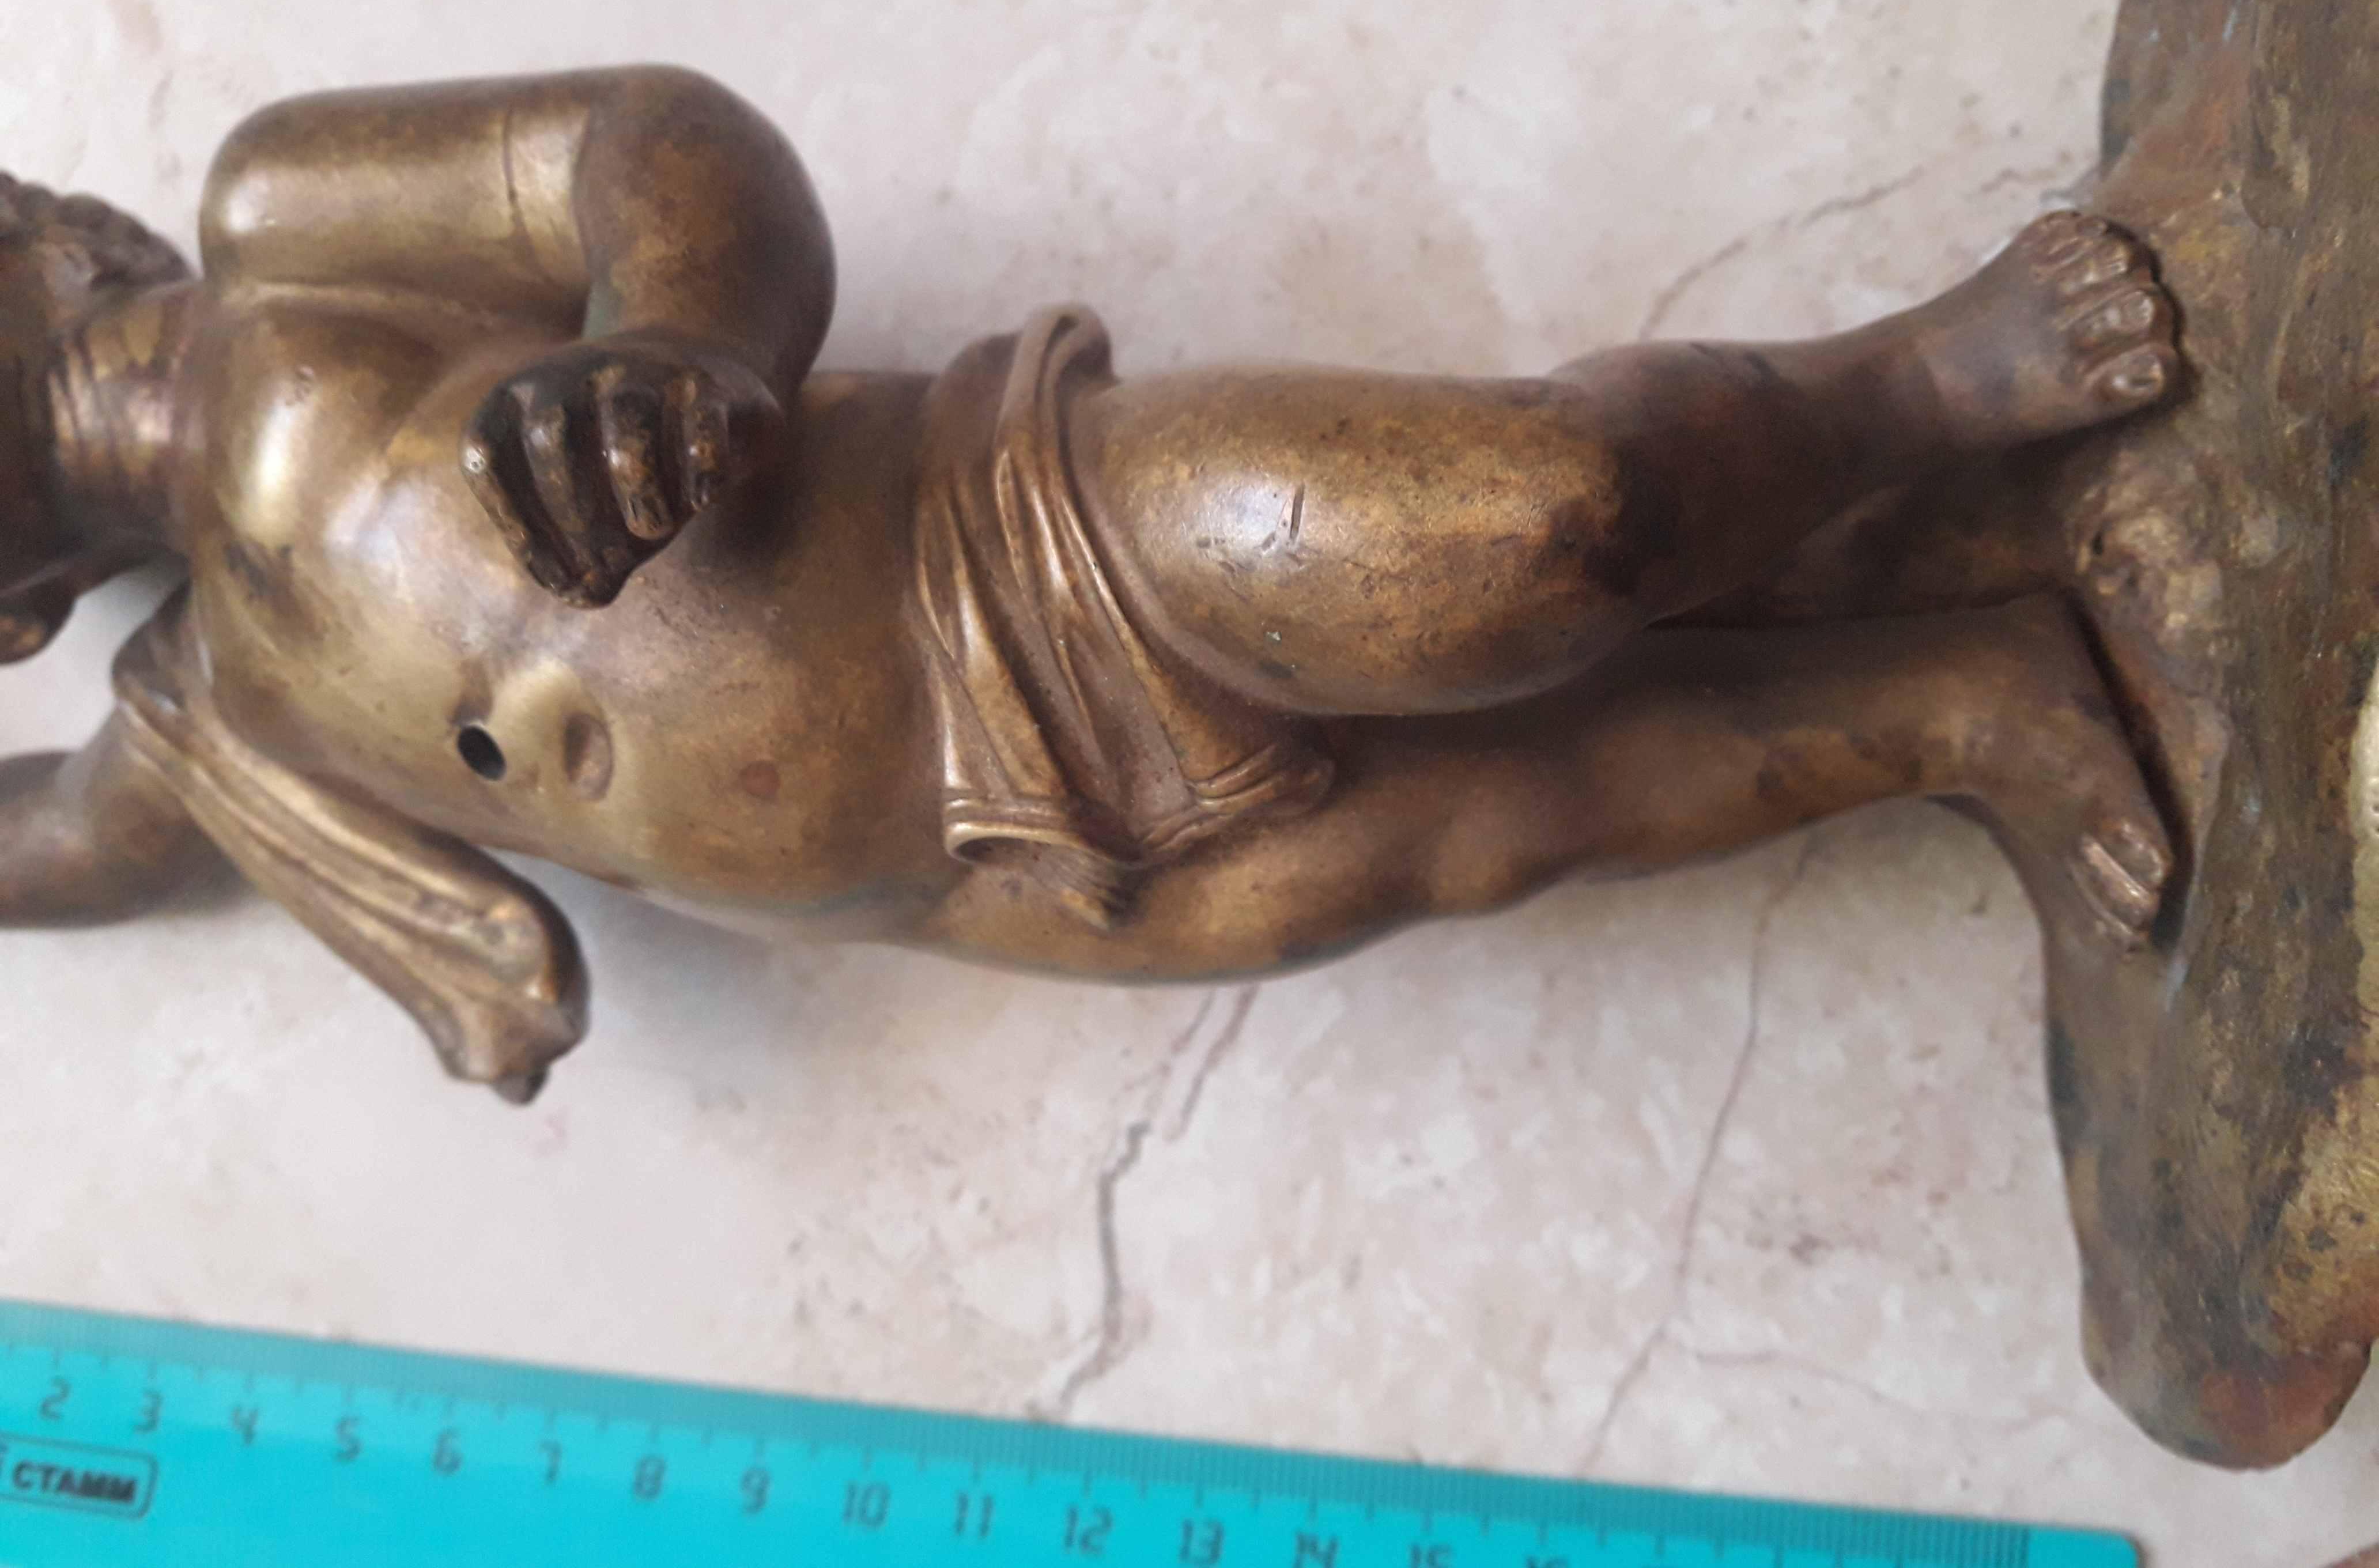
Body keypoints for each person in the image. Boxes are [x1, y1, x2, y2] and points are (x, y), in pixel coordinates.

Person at [0, 67, 2178, 1097]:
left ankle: (1918, 381)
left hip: (1000, 545)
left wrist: (677, 337)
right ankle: (1964, 703)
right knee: (1528, 817)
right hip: (956, 874)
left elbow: (649, 144)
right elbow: (55, 852)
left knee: (1532, 520)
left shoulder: (279, 222)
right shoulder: (207, 717)